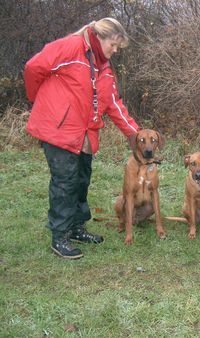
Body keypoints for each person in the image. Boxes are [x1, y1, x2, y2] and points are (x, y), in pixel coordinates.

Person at [24, 18, 140, 259]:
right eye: (114, 45)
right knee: (64, 184)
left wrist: (135, 134)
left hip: (86, 135)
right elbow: (34, 68)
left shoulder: (104, 67)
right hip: (59, 131)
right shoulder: (70, 47)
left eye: (119, 47)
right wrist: (43, 101)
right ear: (101, 37)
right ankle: (60, 237)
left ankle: (77, 228)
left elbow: (114, 104)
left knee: (81, 181)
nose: (115, 51)